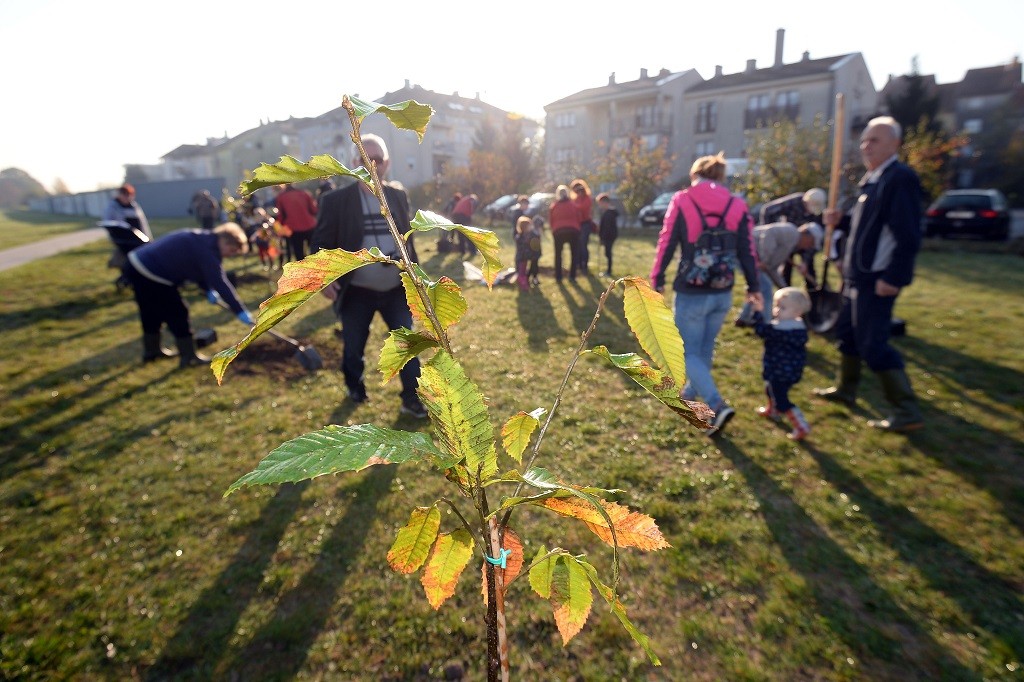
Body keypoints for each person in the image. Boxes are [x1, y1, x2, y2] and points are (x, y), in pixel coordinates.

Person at [814, 116, 925, 432]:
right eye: (864, 140)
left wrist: (894, 278)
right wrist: (842, 220)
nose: (866, 146)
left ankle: (906, 411)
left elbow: (907, 234)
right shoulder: (872, 180)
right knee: (847, 335)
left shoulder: (898, 179)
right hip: (856, 275)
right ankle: (846, 390)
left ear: (894, 144)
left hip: (878, 279)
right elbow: (869, 228)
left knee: (873, 343)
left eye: (875, 140)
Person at [311, 133, 427, 418]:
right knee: (353, 345)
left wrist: (416, 275)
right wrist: (325, 280)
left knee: (406, 345)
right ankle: (355, 387)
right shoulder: (336, 200)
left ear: (386, 163)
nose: (372, 164)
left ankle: (411, 400)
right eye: (365, 159)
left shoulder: (397, 196)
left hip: (395, 288)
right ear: (354, 163)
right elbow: (319, 244)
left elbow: (407, 241)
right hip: (357, 290)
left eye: (377, 159)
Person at [650, 152, 761, 436]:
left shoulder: (683, 198)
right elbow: (748, 249)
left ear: (694, 174)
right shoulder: (737, 203)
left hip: (691, 288)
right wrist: (754, 286)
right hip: (723, 289)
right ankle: (690, 391)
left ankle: (716, 406)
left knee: (686, 350)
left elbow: (667, 240)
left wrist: (657, 277)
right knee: (704, 347)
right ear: (721, 176)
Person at [122, 223, 254, 367]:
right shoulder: (207, 251)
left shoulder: (203, 240)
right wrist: (240, 310)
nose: (231, 254)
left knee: (151, 312)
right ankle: (189, 357)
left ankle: (152, 352)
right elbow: (220, 283)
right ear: (225, 240)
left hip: (135, 264)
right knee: (178, 312)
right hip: (151, 272)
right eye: (232, 250)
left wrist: (207, 289)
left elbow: (195, 268)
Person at [735, 221, 823, 326]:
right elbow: (770, 233)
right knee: (766, 288)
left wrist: (784, 288)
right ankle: (766, 324)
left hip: (753, 258)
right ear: (806, 235)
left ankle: (744, 319)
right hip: (746, 251)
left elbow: (771, 270)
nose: (809, 247)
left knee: (758, 286)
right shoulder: (791, 231)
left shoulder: (790, 246)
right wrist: (764, 258)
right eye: (811, 243)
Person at [752, 287, 812, 440]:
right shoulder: (797, 327)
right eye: (776, 305)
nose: (777, 310)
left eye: (783, 307)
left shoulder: (781, 329)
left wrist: (757, 312)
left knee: (781, 399)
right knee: (770, 388)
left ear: (797, 312)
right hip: (789, 370)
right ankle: (773, 411)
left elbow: (761, 331)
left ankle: (801, 426)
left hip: (780, 371)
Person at [760, 187, 826, 285]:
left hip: (805, 241)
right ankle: (786, 292)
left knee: (809, 267)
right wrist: (772, 236)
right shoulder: (794, 202)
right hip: (787, 240)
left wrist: (805, 262)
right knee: (786, 269)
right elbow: (768, 210)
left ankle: (813, 294)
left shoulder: (818, 214)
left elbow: (814, 239)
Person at [102, 184, 153, 287]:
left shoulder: (134, 206)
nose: (127, 197)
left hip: (139, 239)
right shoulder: (113, 207)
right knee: (129, 259)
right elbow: (109, 224)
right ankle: (128, 277)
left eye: (129, 195)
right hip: (123, 240)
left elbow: (143, 224)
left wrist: (148, 239)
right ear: (119, 195)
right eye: (124, 195)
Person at [274, 183, 318, 261]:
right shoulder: (304, 193)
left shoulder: (281, 197)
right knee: (315, 251)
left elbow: (281, 216)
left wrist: (280, 227)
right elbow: (314, 210)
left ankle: (303, 271)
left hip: (294, 229)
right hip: (309, 226)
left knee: (299, 254)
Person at [549, 185, 581, 282]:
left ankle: (558, 277)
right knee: (574, 254)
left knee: (558, 254)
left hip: (558, 231)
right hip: (573, 231)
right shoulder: (573, 205)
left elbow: (551, 220)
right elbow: (578, 217)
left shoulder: (554, 205)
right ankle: (572, 276)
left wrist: (553, 229)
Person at [571, 179, 595, 273]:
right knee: (578, 245)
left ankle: (584, 265)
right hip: (577, 224)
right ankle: (579, 264)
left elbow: (581, 207)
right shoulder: (576, 199)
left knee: (583, 245)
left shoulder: (587, 199)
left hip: (585, 224)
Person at [513, 215, 542, 292]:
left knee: (523, 271)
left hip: (524, 258)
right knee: (521, 272)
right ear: (525, 227)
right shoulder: (520, 237)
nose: (531, 227)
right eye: (530, 226)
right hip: (521, 258)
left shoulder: (528, 235)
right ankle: (524, 286)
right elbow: (523, 247)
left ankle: (525, 283)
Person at [596, 192, 619, 277]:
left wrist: (602, 238)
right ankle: (608, 271)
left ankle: (609, 271)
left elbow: (607, 228)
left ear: (605, 202)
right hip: (609, 236)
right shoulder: (607, 212)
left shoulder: (609, 214)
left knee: (608, 253)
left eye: (600, 203)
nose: (600, 205)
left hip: (609, 237)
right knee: (607, 253)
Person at [450, 193, 478, 258]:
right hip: (462, 216)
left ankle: (462, 251)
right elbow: (471, 208)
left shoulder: (464, 200)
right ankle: (473, 251)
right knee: (469, 233)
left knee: (460, 234)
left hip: (455, 216)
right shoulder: (472, 199)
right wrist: (470, 217)